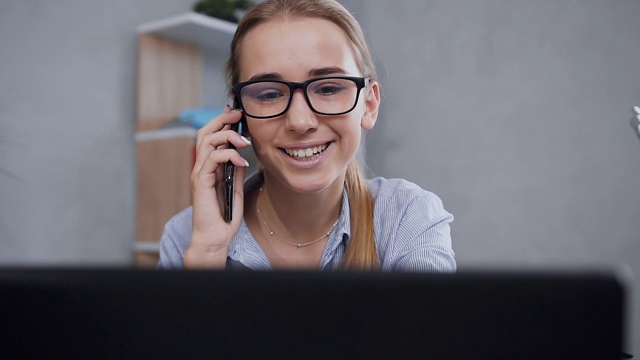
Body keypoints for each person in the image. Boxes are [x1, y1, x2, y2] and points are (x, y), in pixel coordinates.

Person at [158, 0, 455, 271]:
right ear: (239, 115)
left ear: (369, 105)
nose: (300, 121)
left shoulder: (408, 217)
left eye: (328, 88)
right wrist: (207, 253)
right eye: (270, 94)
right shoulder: (185, 236)